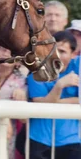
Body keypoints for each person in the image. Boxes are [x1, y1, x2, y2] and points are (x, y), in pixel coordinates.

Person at [25, 30, 80, 159]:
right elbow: (41, 106)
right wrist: (59, 85)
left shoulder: (78, 65)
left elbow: (45, 103)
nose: (57, 55)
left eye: (62, 51)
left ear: (73, 54)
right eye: (54, 49)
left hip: (71, 139)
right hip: (39, 139)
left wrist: (54, 101)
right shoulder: (37, 70)